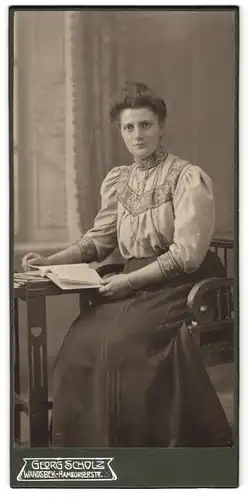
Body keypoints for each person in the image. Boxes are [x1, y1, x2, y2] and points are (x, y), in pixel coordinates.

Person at [22, 81, 232, 447]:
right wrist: (49, 261)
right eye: (129, 127)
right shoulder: (120, 180)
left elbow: (187, 255)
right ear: (121, 132)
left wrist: (128, 283)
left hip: (182, 281)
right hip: (135, 278)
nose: (138, 135)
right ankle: (92, 445)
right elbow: (99, 241)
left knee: (124, 344)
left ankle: (141, 446)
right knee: (80, 342)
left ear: (161, 127)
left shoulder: (186, 177)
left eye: (146, 125)